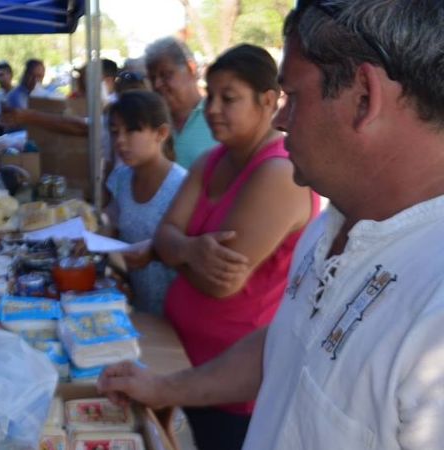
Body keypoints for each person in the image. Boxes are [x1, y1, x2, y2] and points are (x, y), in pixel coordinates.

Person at [99, 1, 444, 449]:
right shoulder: (332, 224)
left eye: (292, 97)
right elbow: (286, 344)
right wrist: (163, 388)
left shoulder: (434, 318)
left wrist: (176, 250)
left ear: (364, 97)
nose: (280, 119)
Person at [125, 44, 319, 450]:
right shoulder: (211, 161)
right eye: (210, 95)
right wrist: (190, 251)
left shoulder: (278, 173)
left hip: (231, 387)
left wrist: (174, 249)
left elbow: (220, 283)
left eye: (228, 98)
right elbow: (164, 234)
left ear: (268, 101)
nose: (212, 108)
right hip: (181, 359)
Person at [105, 91, 187, 314]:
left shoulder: (183, 186)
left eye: (131, 130)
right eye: (115, 132)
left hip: (172, 314)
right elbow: (112, 221)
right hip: (134, 307)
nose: (120, 141)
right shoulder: (121, 178)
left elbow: (188, 252)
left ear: (161, 133)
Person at [144, 37, 218, 170]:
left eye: (165, 75)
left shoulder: (217, 116)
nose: (157, 84)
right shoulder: (148, 122)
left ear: (191, 68)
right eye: (152, 78)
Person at [1, 58, 45, 133]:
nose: (35, 80)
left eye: (39, 77)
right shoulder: (15, 96)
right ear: (25, 74)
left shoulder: (41, 95)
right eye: (32, 75)